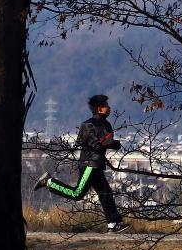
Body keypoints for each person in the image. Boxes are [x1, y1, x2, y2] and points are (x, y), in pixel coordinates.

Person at [41, 93, 125, 231]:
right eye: (106, 106)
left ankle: (113, 223)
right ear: (99, 109)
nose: (109, 108)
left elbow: (92, 142)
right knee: (78, 193)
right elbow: (97, 143)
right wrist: (112, 144)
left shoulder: (97, 124)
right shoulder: (95, 124)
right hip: (89, 164)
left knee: (106, 193)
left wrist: (111, 144)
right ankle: (49, 182)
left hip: (95, 164)